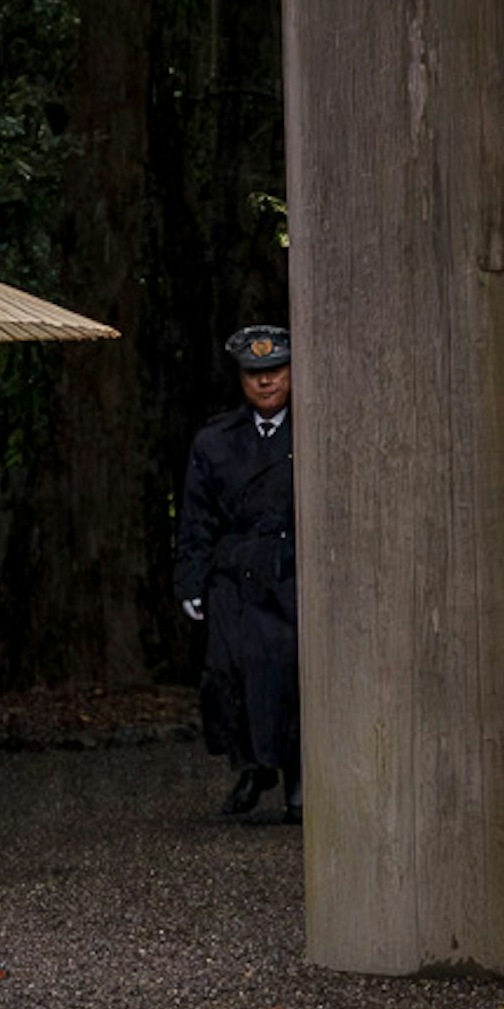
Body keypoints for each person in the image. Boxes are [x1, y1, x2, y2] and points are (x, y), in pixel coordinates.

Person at [175, 318, 300, 824]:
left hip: (291, 572)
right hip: (235, 577)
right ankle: (249, 764)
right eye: (254, 372)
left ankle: (297, 779)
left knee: (290, 676)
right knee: (226, 676)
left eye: (274, 370)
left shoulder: (312, 431)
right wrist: (191, 580)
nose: (265, 381)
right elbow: (196, 515)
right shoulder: (216, 440)